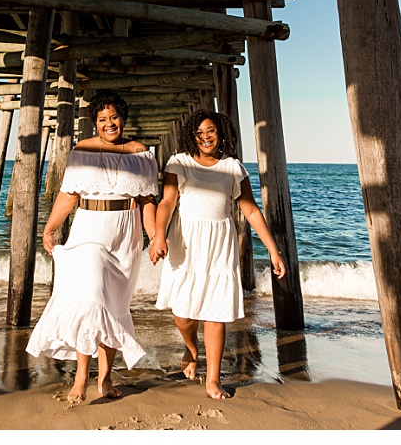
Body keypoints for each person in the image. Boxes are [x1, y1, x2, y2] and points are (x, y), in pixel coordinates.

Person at [27, 91, 159, 405]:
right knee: (90, 300)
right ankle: (82, 377)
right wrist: (50, 226)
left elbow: (147, 202)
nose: (109, 124)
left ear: (123, 118)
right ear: (94, 122)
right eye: (102, 119)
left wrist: (156, 238)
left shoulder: (141, 152)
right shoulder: (82, 149)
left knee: (113, 305)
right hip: (89, 227)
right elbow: (69, 194)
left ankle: (106, 378)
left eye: (114, 118)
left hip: (126, 231)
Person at [148, 109, 287, 400]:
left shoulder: (233, 168)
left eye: (210, 131)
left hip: (221, 246)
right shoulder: (180, 162)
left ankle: (213, 379)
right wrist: (159, 235)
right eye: (199, 133)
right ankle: (190, 346)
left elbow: (249, 210)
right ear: (192, 136)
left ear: (221, 132)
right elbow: (167, 202)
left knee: (215, 313)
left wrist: (273, 250)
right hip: (187, 243)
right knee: (183, 314)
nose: (205, 137)